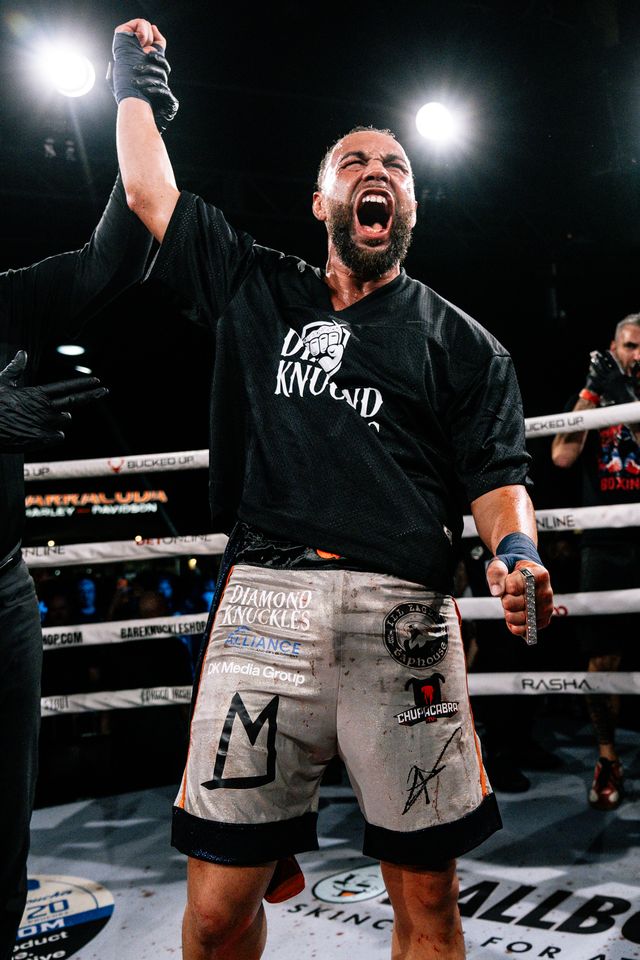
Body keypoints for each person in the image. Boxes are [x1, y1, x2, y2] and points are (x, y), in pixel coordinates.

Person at [112, 19, 554, 960]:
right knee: (218, 909)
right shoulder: (258, 289)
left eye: (395, 165)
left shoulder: (465, 346)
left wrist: (516, 554)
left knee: (428, 902)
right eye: (355, 162)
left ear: (410, 206)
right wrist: (133, 82)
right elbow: (150, 192)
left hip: (404, 613)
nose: (376, 172)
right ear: (322, 201)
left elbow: (498, 478)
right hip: (265, 604)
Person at [0, 62, 178, 960]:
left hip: (0, 584)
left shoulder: (9, 297)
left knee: (7, 810)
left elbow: (118, 255)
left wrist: (136, 111)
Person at [551, 314, 640, 811]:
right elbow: (562, 457)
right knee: (603, 658)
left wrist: (624, 396)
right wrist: (592, 391)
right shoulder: (593, 396)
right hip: (604, 544)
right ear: (613, 347)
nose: (637, 356)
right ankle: (607, 757)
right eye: (630, 346)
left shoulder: (628, 395)